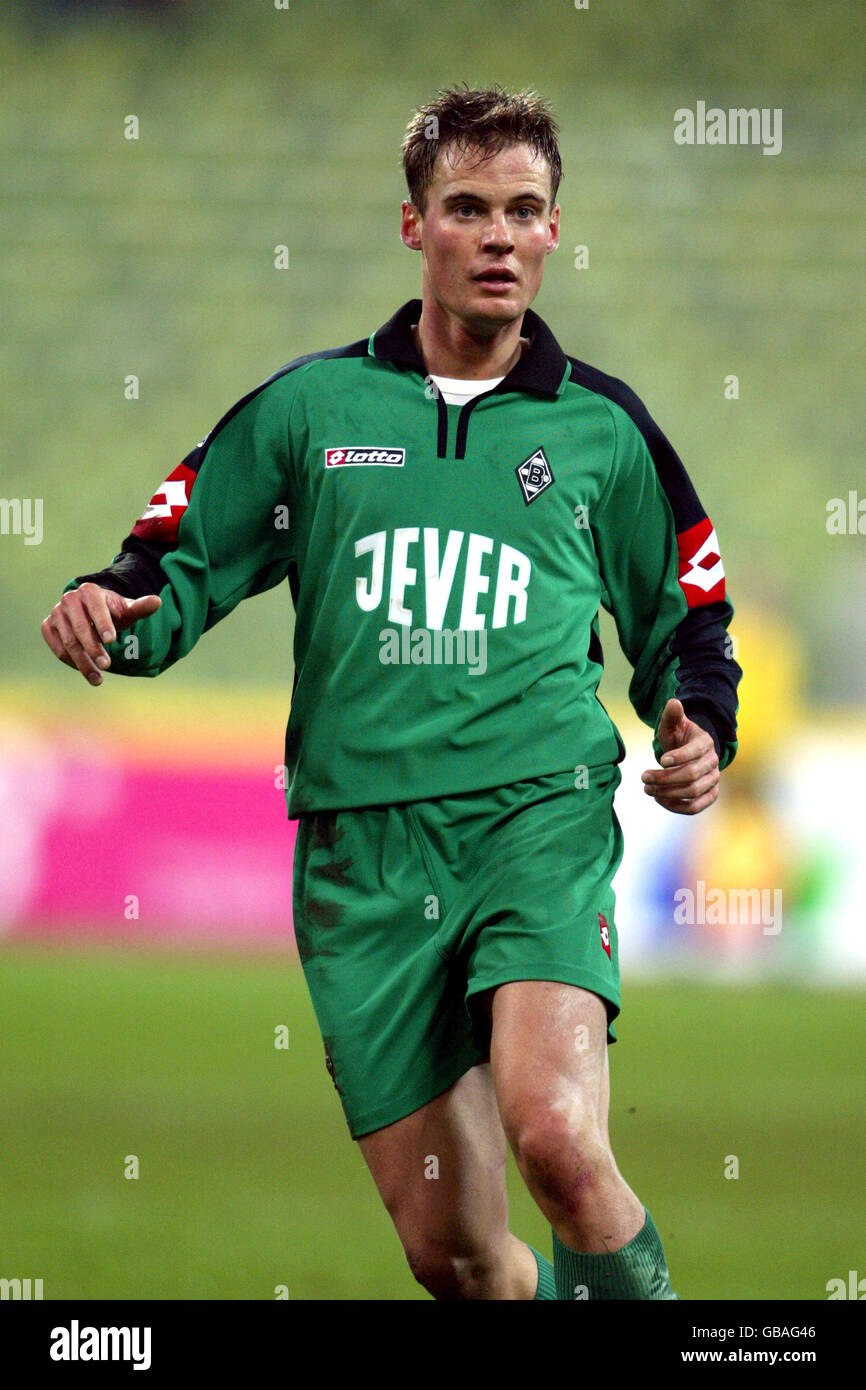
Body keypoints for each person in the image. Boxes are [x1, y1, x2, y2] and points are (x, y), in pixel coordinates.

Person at [41, 85, 742, 1300]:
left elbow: (687, 616)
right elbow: (170, 563)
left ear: (554, 230)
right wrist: (110, 608)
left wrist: (700, 730)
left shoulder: (600, 429)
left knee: (561, 1142)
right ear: (412, 225)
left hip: (537, 818)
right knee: (458, 1260)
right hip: (362, 852)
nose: (497, 236)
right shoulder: (310, 412)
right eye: (466, 208)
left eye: (523, 210)